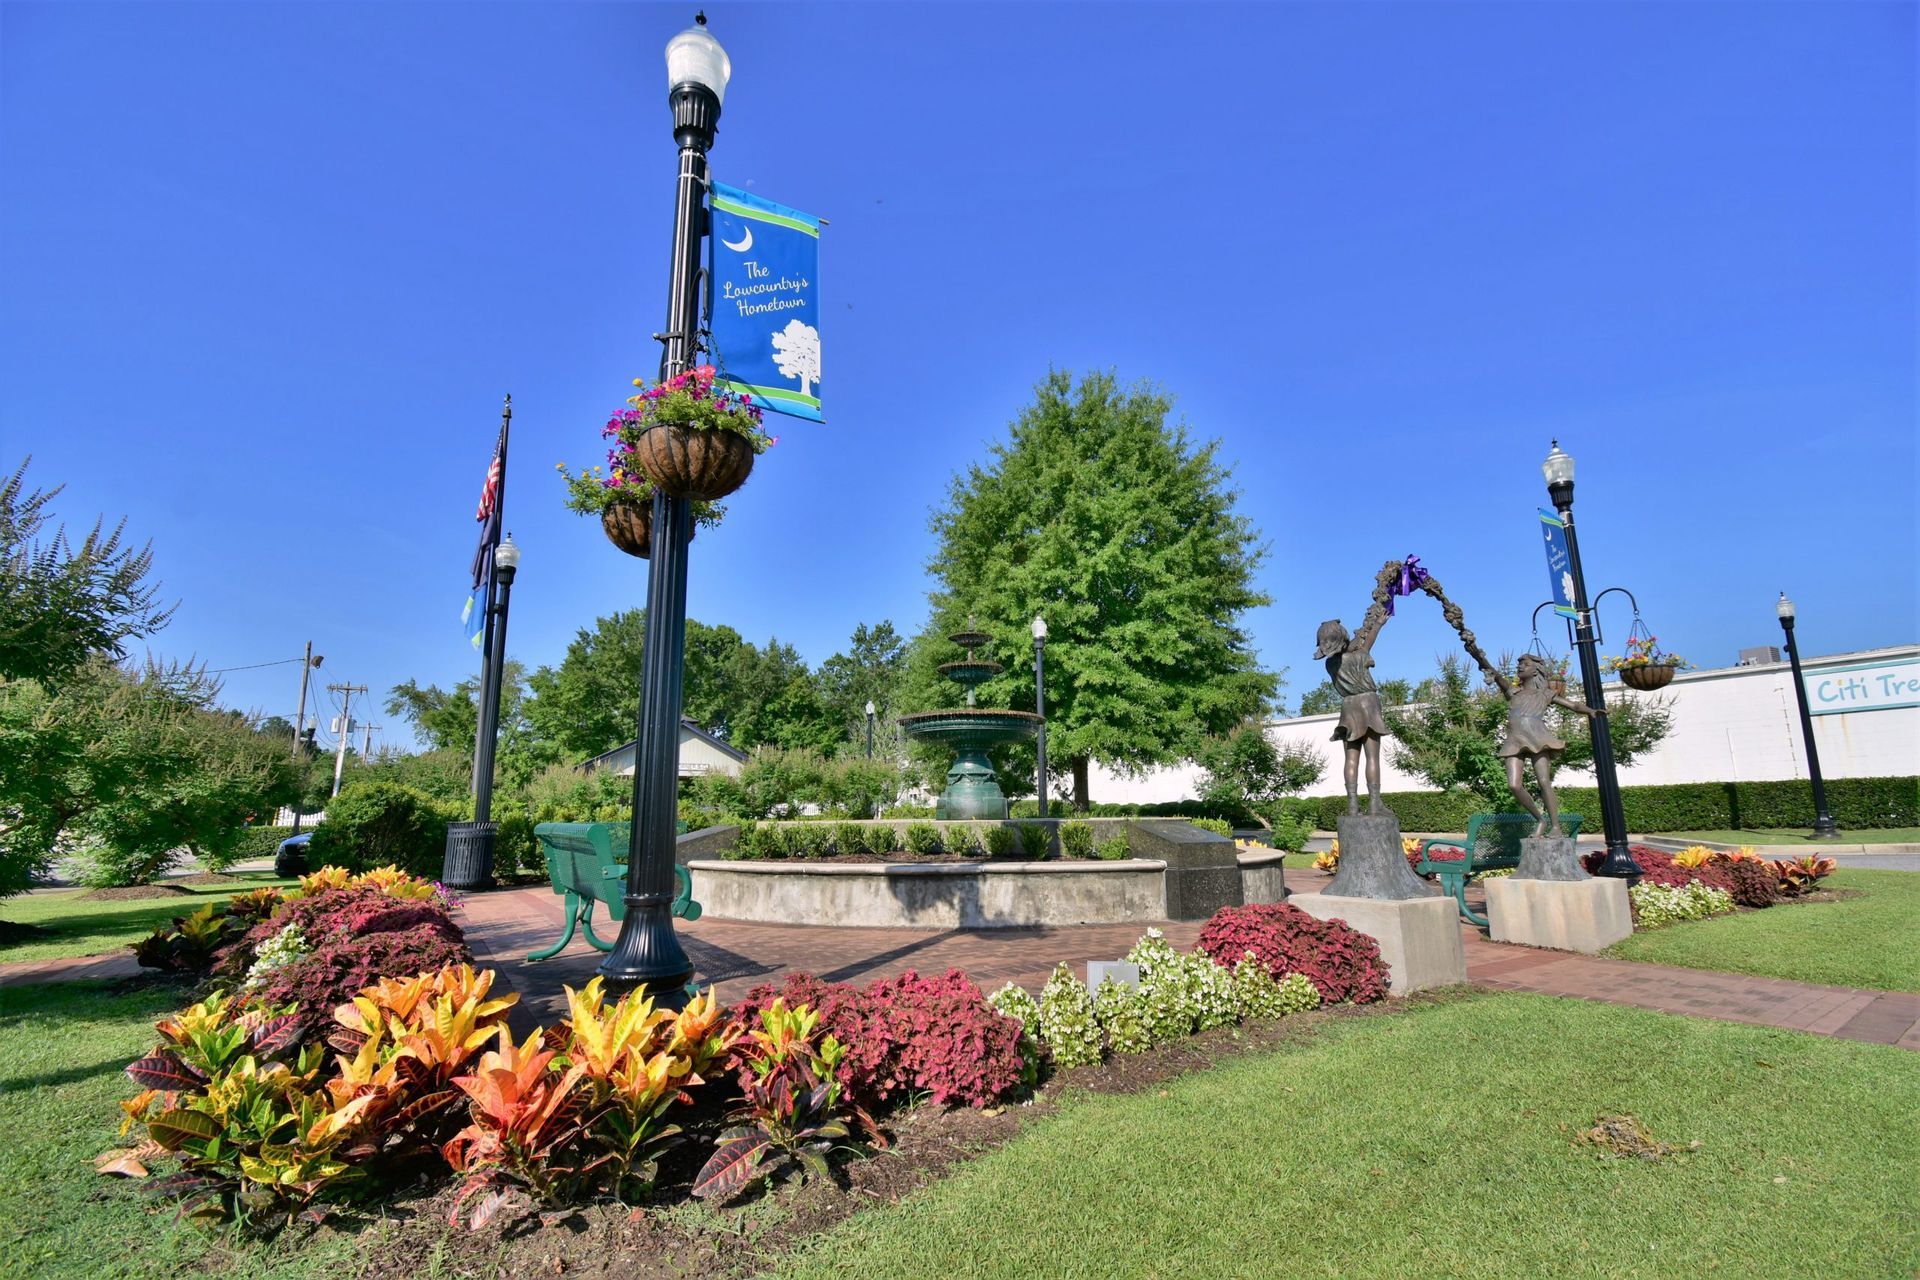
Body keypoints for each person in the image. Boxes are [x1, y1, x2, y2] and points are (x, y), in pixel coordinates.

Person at [1474, 651, 1599, 837]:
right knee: (1514, 786)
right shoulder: (1512, 691)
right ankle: (1541, 819)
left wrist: (1591, 711)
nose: (1520, 666)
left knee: (1544, 782)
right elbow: (1492, 670)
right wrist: (1476, 651)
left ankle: (1555, 827)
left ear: (1535, 670)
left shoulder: (1546, 694)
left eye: (1524, 664)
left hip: (1537, 737)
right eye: (1519, 664)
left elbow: (1573, 706)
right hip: (1515, 739)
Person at [1314, 603, 1391, 817]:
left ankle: (1352, 805)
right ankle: (1375, 804)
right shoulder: (1359, 656)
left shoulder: (1330, 665)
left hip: (1348, 708)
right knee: (1372, 757)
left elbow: (1347, 649)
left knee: (1350, 758)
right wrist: (1377, 625)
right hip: (1368, 703)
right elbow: (1366, 644)